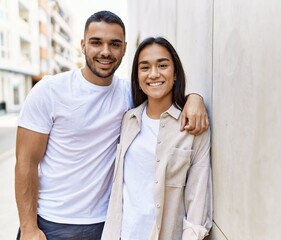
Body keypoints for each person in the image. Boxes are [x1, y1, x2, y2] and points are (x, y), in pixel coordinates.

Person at [15, 11, 209, 240]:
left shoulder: (128, 96)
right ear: (83, 45)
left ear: (124, 49)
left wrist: (195, 97)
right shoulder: (50, 91)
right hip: (52, 222)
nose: (105, 51)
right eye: (96, 42)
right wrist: (28, 227)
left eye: (114, 44)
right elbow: (26, 162)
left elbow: (161, 86)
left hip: (105, 224)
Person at [101, 37, 213, 240]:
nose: (154, 74)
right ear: (137, 78)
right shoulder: (129, 119)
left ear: (175, 73)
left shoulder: (193, 126)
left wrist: (195, 96)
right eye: (145, 67)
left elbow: (198, 198)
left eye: (162, 65)